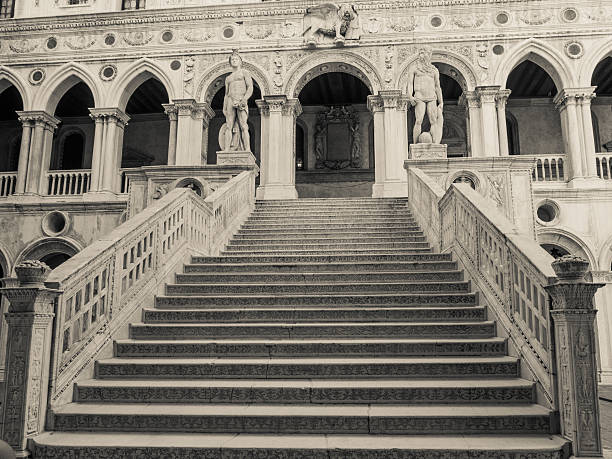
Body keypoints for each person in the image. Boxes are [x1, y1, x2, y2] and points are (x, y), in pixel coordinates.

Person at [406, 46, 444, 143]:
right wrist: (410, 96)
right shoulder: (414, 68)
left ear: (429, 54)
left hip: (432, 97)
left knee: (433, 121)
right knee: (418, 120)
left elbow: (437, 86)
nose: (421, 55)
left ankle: (435, 144)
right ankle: (415, 144)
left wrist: (441, 101)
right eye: (420, 53)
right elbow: (410, 83)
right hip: (420, 97)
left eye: (423, 53)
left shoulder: (434, 70)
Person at [223, 50, 253, 151]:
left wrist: (244, 99)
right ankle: (227, 149)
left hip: (241, 99)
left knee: (244, 125)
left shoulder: (245, 73)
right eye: (232, 59)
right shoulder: (228, 78)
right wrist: (224, 107)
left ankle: (247, 149)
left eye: (236, 59)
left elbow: (250, 87)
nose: (234, 61)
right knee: (228, 126)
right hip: (230, 100)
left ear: (240, 61)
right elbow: (226, 94)